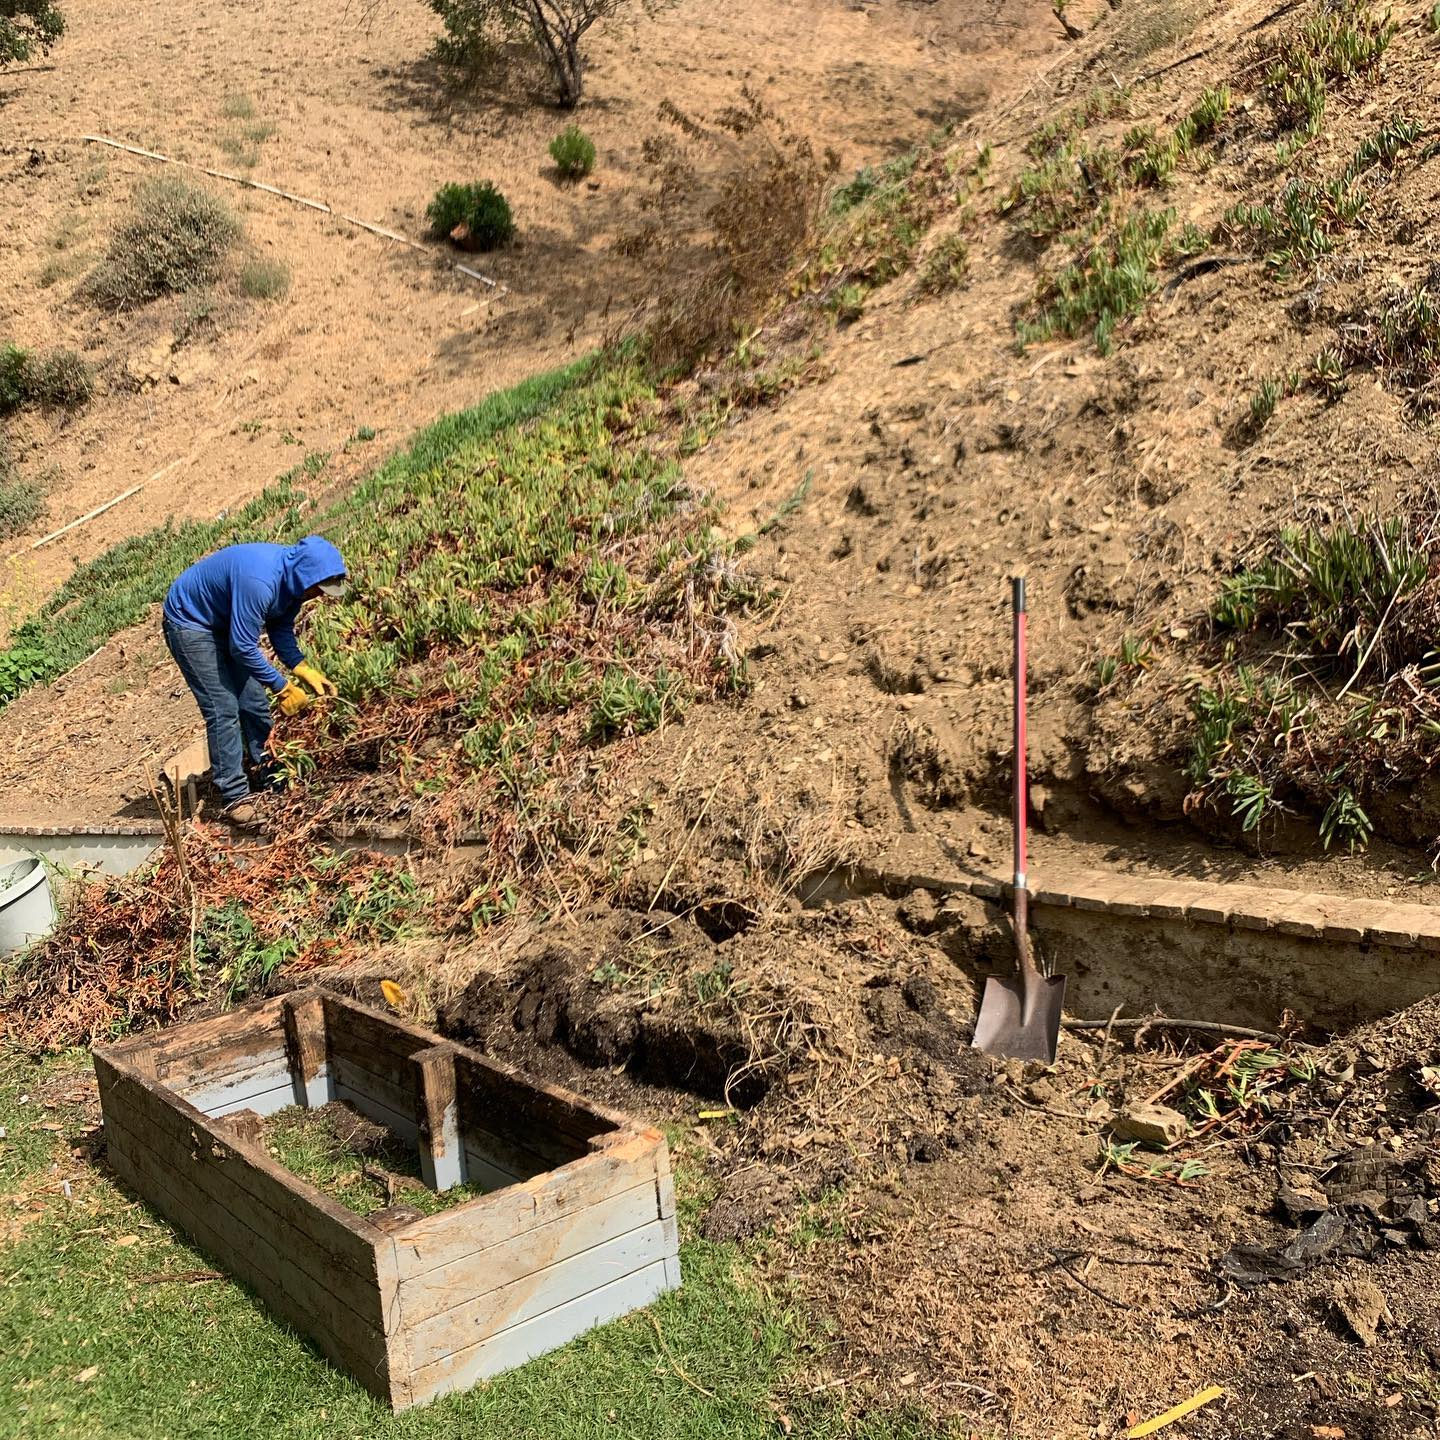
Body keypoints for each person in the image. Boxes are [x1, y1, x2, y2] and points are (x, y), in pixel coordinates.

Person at [162, 535, 347, 826]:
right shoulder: (260, 581)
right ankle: (235, 799)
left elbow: (280, 629)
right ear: (304, 575)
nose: (320, 595)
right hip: (191, 623)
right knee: (222, 708)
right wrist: (283, 687)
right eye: (318, 588)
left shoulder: (294, 587)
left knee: (255, 703)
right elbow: (243, 646)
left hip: (226, 623)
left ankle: (270, 776)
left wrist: (302, 669)